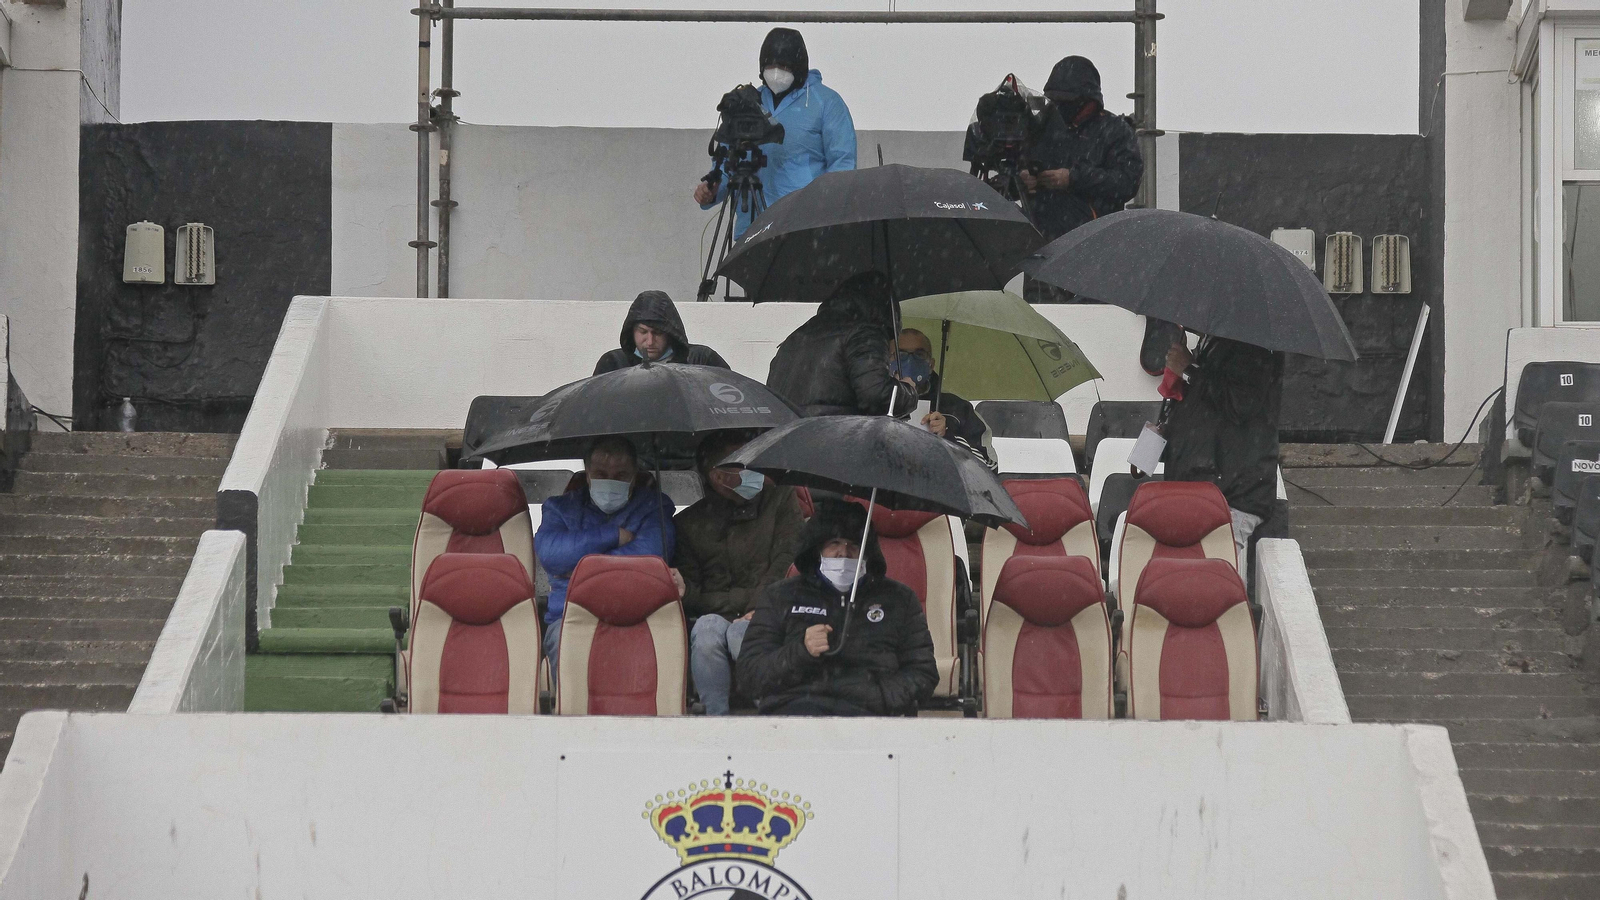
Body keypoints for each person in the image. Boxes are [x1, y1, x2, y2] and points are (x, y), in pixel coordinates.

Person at [736, 499, 938, 716]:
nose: (844, 553)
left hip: (872, 723)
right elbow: (749, 676)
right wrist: (800, 651)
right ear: (817, 548)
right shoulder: (780, 596)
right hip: (794, 719)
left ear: (868, 552)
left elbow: (923, 673)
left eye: (854, 545)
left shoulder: (899, 599)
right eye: (834, 542)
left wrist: (878, 696)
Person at [675, 431, 805, 715]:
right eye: (744, 465)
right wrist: (740, 605)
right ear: (717, 476)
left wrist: (759, 607)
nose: (755, 470)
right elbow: (691, 594)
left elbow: (787, 560)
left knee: (742, 634)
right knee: (707, 633)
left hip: (772, 608)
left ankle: (774, 716)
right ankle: (716, 722)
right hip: (714, 614)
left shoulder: (780, 500)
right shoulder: (687, 524)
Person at [691, 27, 857, 237]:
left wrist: (823, 209)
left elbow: (843, 165)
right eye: (771, 66)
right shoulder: (748, 103)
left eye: (784, 66)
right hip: (752, 229)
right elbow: (727, 162)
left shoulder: (826, 103)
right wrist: (712, 190)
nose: (776, 72)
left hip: (804, 228)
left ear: (798, 67)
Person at [533, 436, 681, 668]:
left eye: (621, 475)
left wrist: (578, 569)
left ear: (634, 477)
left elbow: (650, 559)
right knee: (565, 647)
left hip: (638, 614)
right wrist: (613, 535)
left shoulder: (655, 507)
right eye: (601, 474)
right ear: (587, 474)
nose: (610, 481)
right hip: (571, 616)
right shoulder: (560, 507)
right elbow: (551, 555)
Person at [1017, 55, 1143, 304]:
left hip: (1095, 247)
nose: (1061, 106)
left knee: (1088, 320)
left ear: (1087, 100)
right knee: (1041, 321)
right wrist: (1024, 180)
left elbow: (1127, 181)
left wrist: (1073, 178)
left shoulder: (1115, 130)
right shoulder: (1043, 128)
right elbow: (1018, 169)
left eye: (1067, 100)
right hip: (1043, 245)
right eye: (1056, 100)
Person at [1161, 335, 1283, 578]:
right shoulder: (1216, 342)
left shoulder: (1252, 346)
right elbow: (1209, 404)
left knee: (1214, 584)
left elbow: (1240, 403)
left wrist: (1190, 369)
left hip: (1230, 494)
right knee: (1194, 584)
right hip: (1206, 490)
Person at [766, 272, 917, 417]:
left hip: (788, 438)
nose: (890, 358)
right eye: (890, 353)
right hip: (835, 437)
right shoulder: (864, 332)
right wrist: (907, 391)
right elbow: (876, 396)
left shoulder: (793, 340)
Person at [895, 328, 998, 472]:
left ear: (931, 365)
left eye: (919, 354)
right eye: (901, 355)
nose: (910, 361)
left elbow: (989, 469)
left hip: (941, 492)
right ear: (888, 361)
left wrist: (948, 437)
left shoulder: (959, 409)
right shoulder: (870, 406)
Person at [593, 290, 729, 375]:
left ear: (670, 333)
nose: (650, 341)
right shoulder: (613, 363)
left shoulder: (702, 360)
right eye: (643, 332)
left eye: (657, 333)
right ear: (632, 331)